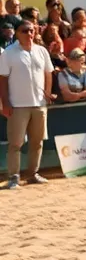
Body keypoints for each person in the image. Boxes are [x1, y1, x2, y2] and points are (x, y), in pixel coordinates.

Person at [0, 21, 54, 188]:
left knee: (37, 142)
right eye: (24, 31)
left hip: (39, 104)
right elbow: (2, 79)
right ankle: (13, 177)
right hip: (17, 105)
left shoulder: (41, 51)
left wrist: (47, 93)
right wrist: (5, 103)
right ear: (17, 33)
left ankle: (33, 174)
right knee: (15, 143)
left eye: (31, 30)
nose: (29, 33)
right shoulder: (8, 53)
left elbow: (48, 73)